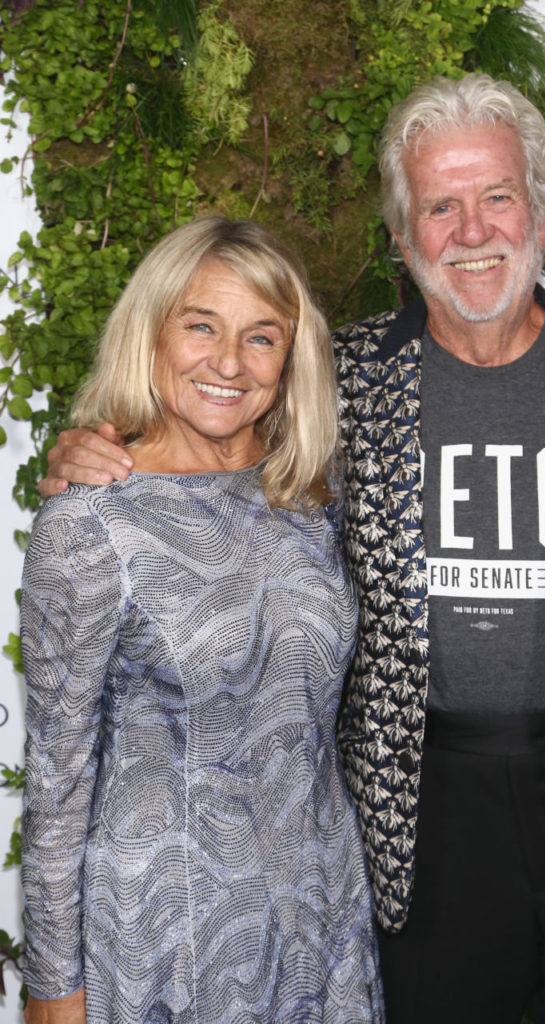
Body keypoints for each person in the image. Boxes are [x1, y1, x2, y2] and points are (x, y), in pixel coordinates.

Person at [39, 74, 545, 1024]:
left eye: (497, 196)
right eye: (440, 206)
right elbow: (214, 448)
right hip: (416, 825)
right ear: (401, 234)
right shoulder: (338, 386)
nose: (472, 231)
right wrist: (87, 449)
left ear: (541, 212)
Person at [21, 216, 384, 1024]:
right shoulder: (91, 524)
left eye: (261, 338)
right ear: (150, 330)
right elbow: (55, 778)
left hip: (318, 918)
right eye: (200, 326)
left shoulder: (312, 495)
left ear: (291, 360)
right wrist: (51, 990)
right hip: (163, 942)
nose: (227, 363)